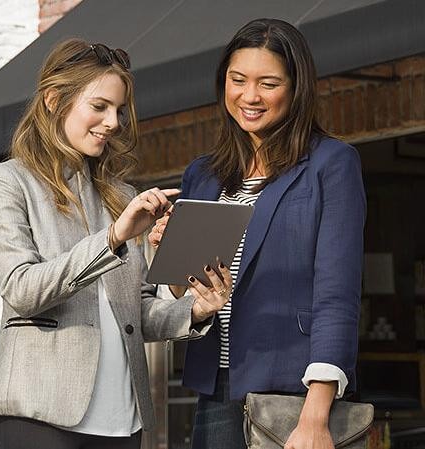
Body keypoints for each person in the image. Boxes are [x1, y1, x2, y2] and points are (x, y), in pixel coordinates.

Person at [0, 38, 232, 449]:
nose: (113, 122)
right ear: (53, 100)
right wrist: (113, 238)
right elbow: (22, 290)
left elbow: (139, 314)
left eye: (118, 110)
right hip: (38, 414)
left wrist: (196, 309)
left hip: (121, 419)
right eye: (99, 107)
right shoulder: (6, 181)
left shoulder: (121, 196)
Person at [149, 18, 366, 449]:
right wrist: (169, 253)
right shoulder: (204, 176)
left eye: (268, 83)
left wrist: (316, 415)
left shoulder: (330, 165)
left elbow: (336, 293)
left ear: (296, 87)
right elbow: (185, 294)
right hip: (217, 390)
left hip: (294, 393)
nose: (249, 96)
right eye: (237, 80)